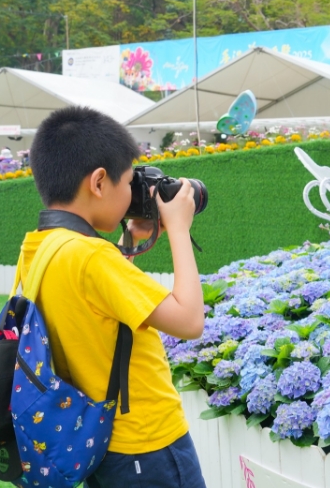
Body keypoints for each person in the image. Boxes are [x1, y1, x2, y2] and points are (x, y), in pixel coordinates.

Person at [24, 106, 206, 487]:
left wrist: (128, 239)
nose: (131, 195)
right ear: (98, 182)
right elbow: (189, 321)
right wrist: (176, 228)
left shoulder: (40, 247)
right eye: (127, 184)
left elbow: (94, 301)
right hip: (146, 441)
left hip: (97, 439)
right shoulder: (93, 257)